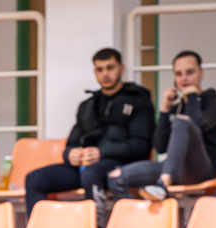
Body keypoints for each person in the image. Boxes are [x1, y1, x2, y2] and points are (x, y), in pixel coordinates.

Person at [25, 48, 155, 213]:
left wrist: (101, 153)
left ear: (121, 68)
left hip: (121, 165)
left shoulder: (139, 101)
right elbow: (71, 144)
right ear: (95, 72)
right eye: (100, 69)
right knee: (35, 179)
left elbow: (141, 146)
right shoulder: (88, 105)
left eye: (110, 68)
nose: (105, 74)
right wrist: (71, 154)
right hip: (86, 167)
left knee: (91, 173)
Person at [105, 49, 216, 203]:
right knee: (116, 177)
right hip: (173, 168)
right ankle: (137, 216)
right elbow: (160, 147)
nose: (184, 79)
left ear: (201, 73)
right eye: (178, 74)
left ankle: (163, 184)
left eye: (190, 72)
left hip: (203, 170)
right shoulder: (176, 108)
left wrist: (192, 97)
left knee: (182, 122)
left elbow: (194, 127)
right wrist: (164, 110)